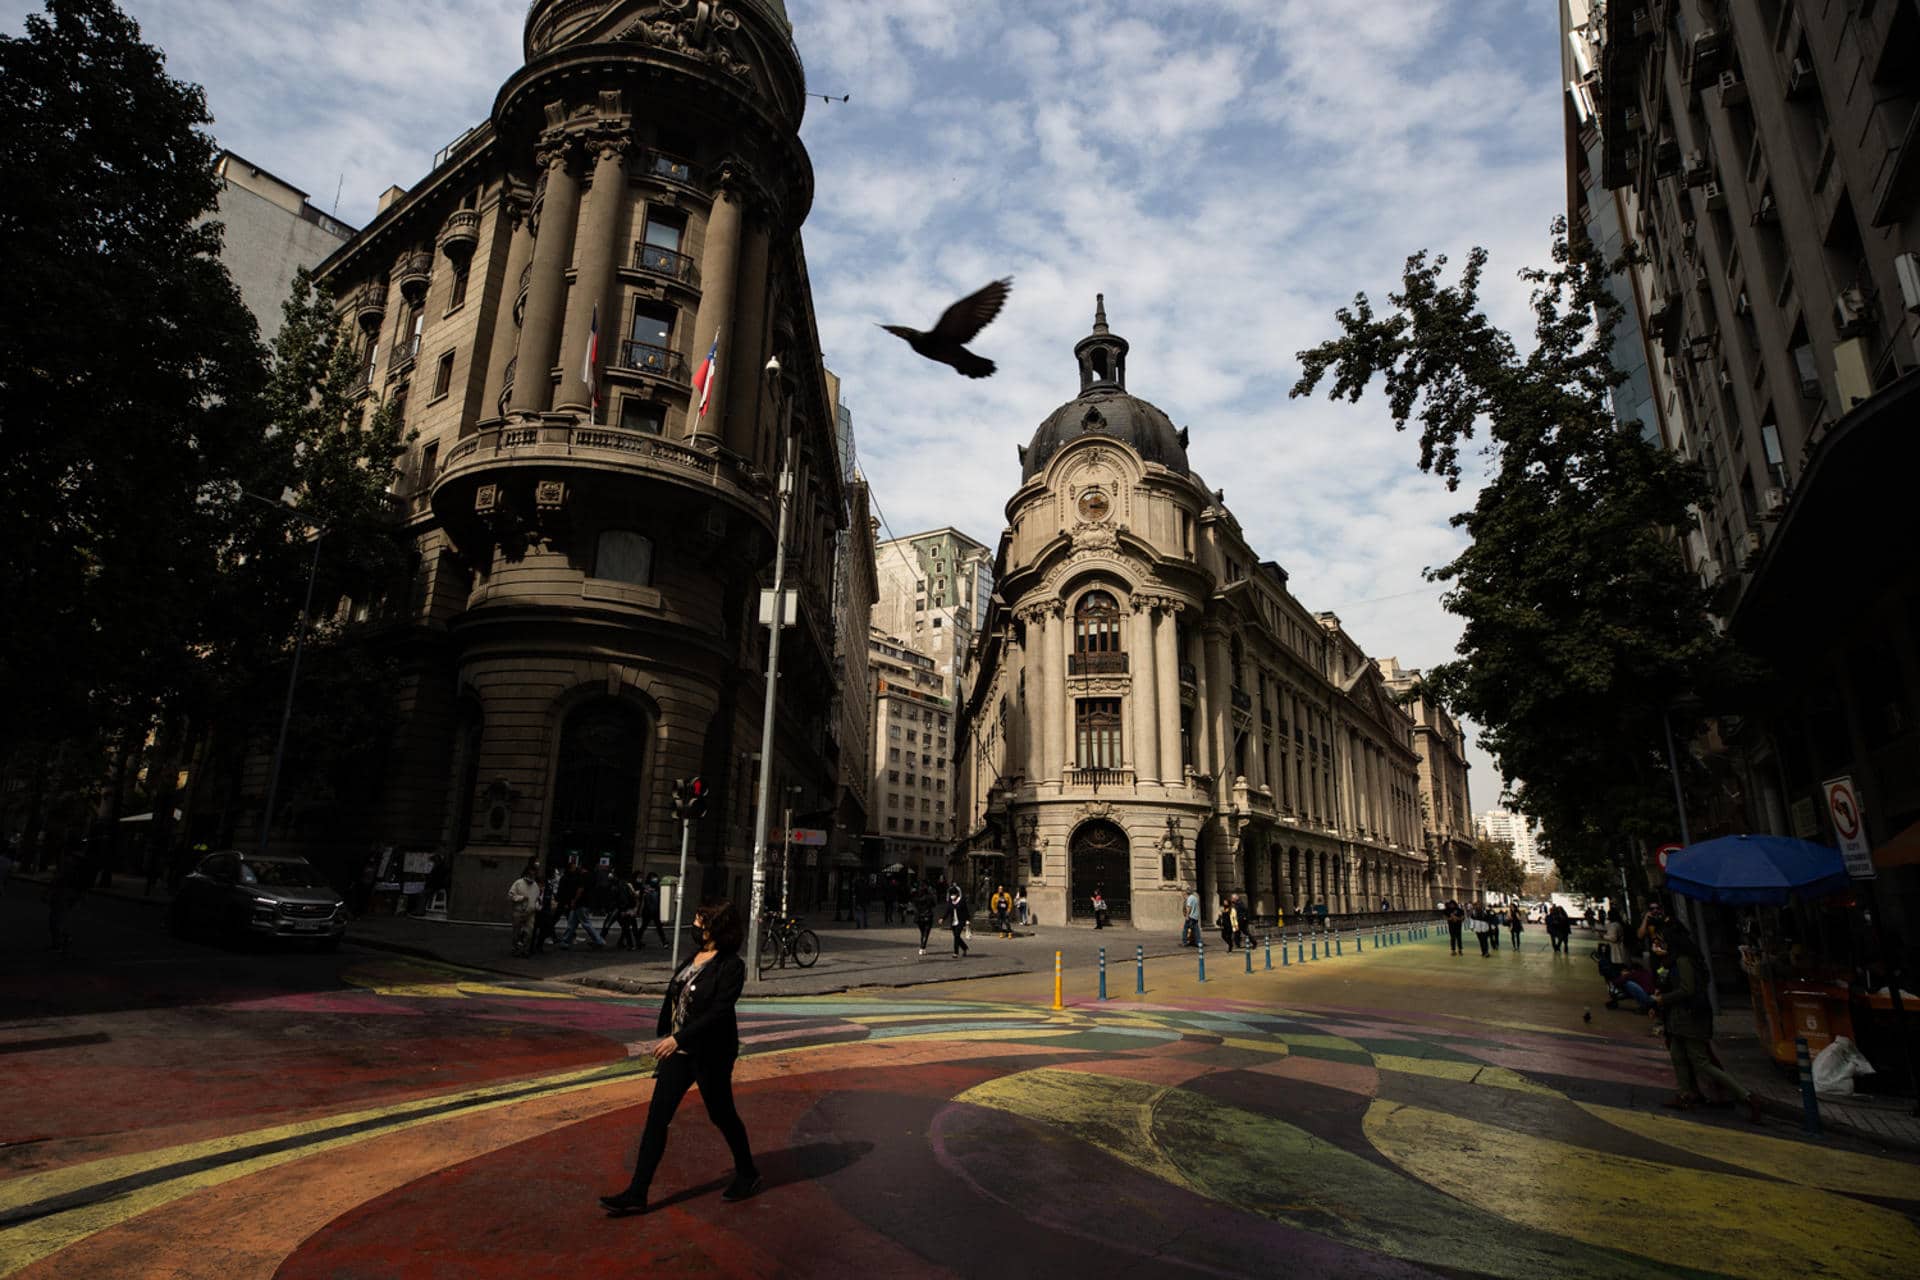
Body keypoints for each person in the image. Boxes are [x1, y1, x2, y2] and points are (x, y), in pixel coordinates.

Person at [599, 900, 760, 1216]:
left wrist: (678, 1038)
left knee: (722, 1114)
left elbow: (718, 1012)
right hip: (679, 1054)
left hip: (711, 1054)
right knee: (657, 1118)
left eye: (701, 922)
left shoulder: (731, 966)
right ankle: (637, 1193)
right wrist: (670, 1032)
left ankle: (748, 1172)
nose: (695, 927)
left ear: (717, 929)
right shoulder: (693, 958)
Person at [1653, 922, 1761, 1121]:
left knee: (1701, 1061)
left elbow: (1687, 989)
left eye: (1663, 940)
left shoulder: (1684, 960)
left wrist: (1663, 999)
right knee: (1677, 1055)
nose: (1660, 944)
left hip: (1690, 1016)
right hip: (1677, 1017)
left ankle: (1746, 1096)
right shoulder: (1677, 960)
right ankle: (1685, 1094)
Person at [558, 857, 606, 950]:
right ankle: (565, 941)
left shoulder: (582, 876)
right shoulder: (591, 876)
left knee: (585, 923)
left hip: (580, 903)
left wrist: (574, 900)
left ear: (582, 866)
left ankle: (599, 940)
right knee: (572, 923)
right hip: (585, 902)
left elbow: (580, 889)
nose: (577, 867)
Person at [507, 862, 543, 957]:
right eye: (530, 874)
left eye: (534, 874)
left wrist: (537, 906)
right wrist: (521, 898)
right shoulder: (518, 883)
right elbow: (510, 896)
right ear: (526, 873)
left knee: (529, 933)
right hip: (519, 912)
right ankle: (515, 949)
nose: (532, 876)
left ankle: (525, 950)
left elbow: (537, 899)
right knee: (516, 932)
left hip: (530, 913)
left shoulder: (535, 886)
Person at [641, 873, 668, 946]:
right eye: (653, 878)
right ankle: (638, 940)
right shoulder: (645, 888)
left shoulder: (658, 888)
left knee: (659, 927)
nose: (655, 879)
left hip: (655, 911)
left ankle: (664, 942)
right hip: (648, 911)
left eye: (655, 878)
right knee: (644, 926)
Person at [945, 884, 971, 958]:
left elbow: (966, 911)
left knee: (956, 935)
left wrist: (967, 920)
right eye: (951, 894)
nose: (952, 896)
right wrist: (943, 918)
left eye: (953, 894)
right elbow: (948, 910)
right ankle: (964, 947)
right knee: (957, 937)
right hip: (953, 922)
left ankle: (955, 952)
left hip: (961, 921)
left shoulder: (961, 901)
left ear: (957, 894)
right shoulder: (950, 901)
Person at [912, 881, 937, 955]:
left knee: (922, 932)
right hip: (927, 916)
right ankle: (922, 947)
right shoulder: (929, 897)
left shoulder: (916, 897)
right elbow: (934, 904)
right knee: (926, 933)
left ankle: (923, 947)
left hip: (919, 917)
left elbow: (914, 905)